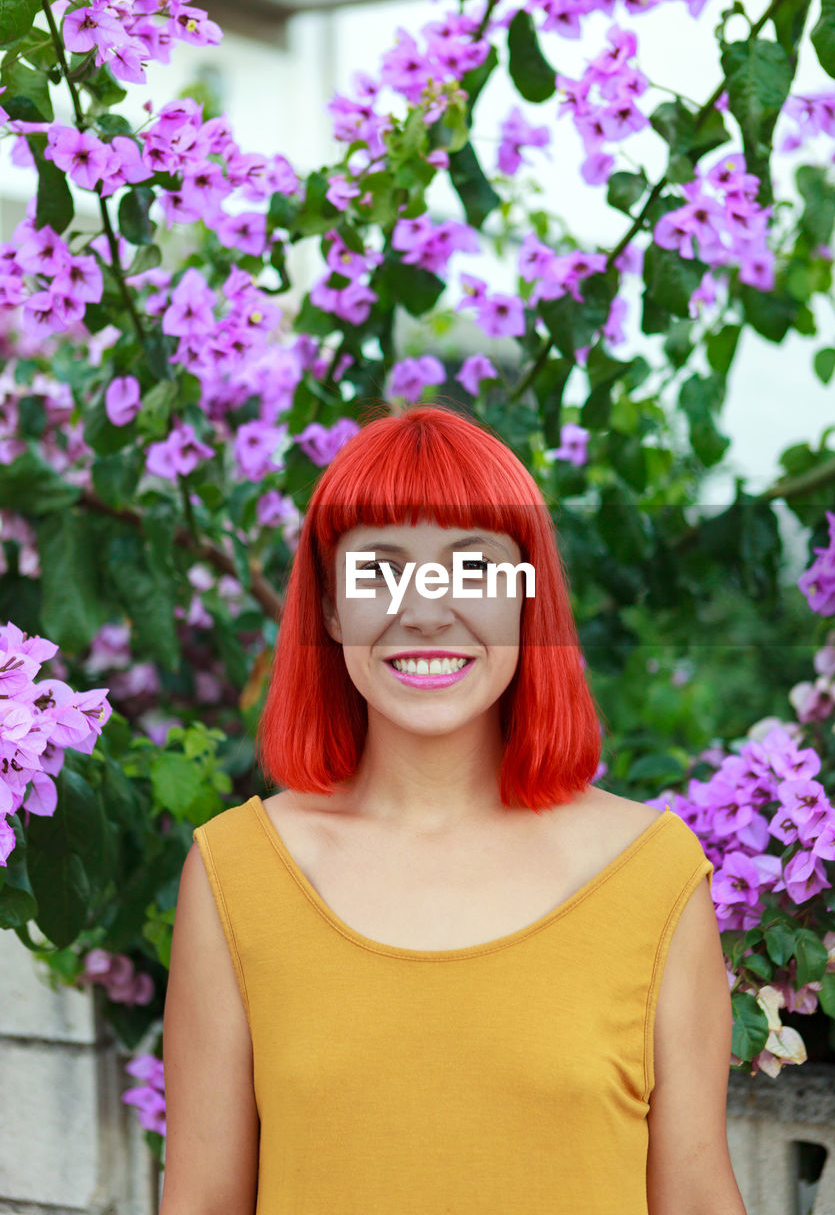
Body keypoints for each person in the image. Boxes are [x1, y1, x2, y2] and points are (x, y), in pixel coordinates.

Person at [160, 401, 746, 1215]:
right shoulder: (235, 874)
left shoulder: (650, 872)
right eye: (381, 570)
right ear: (331, 608)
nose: (427, 609)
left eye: (473, 568)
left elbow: (694, 1199)